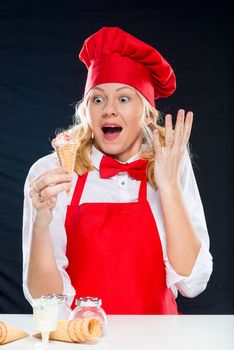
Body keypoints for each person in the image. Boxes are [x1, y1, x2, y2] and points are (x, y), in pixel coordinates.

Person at [22, 26, 213, 314]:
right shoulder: (52, 172)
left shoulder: (171, 163)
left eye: (123, 98)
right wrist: (41, 220)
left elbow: (192, 283)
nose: (108, 110)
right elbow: (45, 300)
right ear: (86, 110)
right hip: (82, 339)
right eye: (97, 99)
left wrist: (169, 185)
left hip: (162, 339)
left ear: (146, 111)